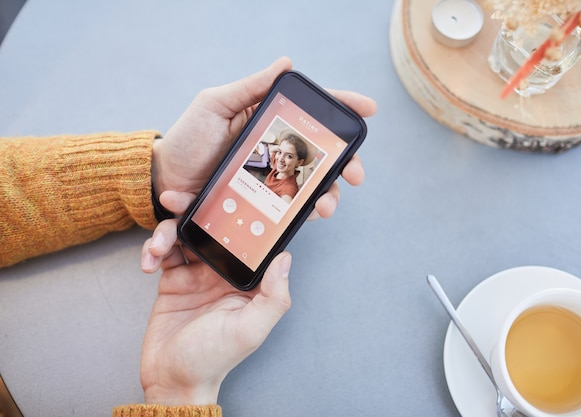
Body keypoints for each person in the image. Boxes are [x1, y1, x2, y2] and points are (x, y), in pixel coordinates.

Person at [0, 57, 377, 415]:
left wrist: (158, 171)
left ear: (299, 165)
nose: (279, 160)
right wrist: (178, 397)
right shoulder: (263, 173)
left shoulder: (289, 192)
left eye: (289, 157)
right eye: (277, 152)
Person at [264, 130, 309, 202]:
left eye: (289, 156)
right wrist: (282, 147)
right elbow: (271, 150)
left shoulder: (288, 188)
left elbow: (287, 200)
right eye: (279, 152)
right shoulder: (278, 167)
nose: (280, 159)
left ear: (299, 162)